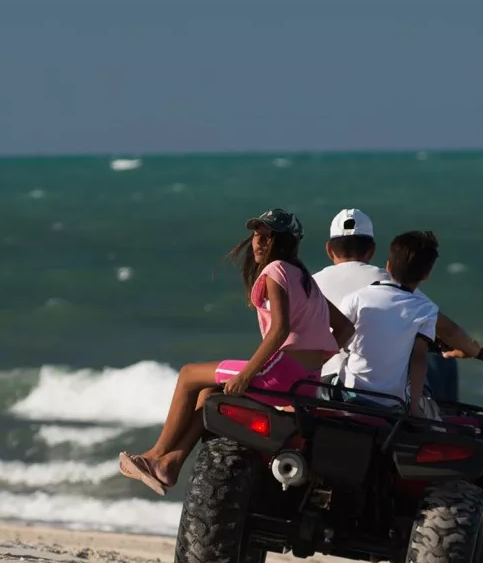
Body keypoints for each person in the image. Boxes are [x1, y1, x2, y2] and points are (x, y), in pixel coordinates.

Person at [118, 209, 349, 495]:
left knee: (189, 374)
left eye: (268, 236)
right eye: (256, 234)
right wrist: (319, 358)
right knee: (208, 394)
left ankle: (155, 456)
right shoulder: (306, 280)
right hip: (306, 381)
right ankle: (171, 465)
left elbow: (279, 330)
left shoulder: (275, 271)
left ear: (286, 242)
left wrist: (247, 375)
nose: (258, 242)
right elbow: (345, 327)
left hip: (281, 373)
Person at [310, 209, 482, 396]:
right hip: (374, 389)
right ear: (372, 249)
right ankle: (442, 420)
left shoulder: (309, 283)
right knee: (441, 363)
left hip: (319, 382)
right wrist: (473, 350)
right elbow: (447, 329)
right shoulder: (390, 282)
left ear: (329, 249)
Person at [332, 231, 444, 412]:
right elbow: (419, 359)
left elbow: (335, 340)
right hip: (391, 403)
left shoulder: (357, 298)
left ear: (388, 266)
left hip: (349, 394)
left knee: (326, 380)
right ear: (426, 275)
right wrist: (413, 408)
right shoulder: (427, 310)